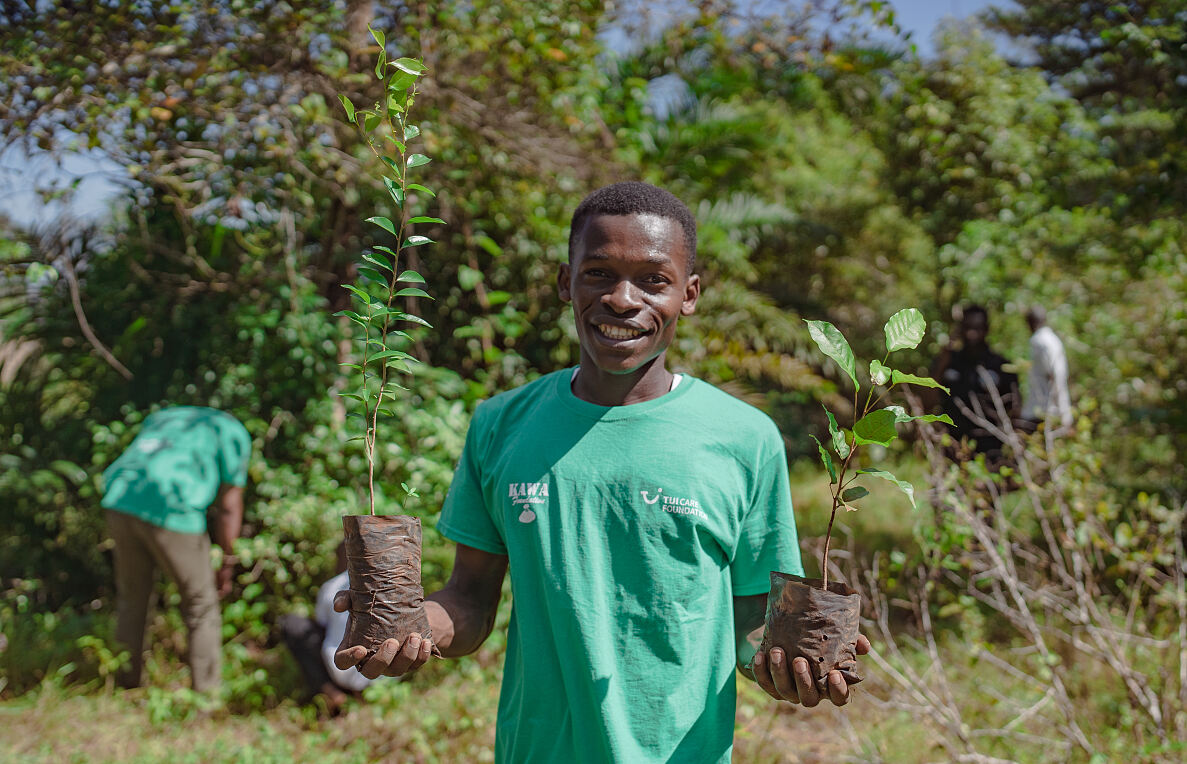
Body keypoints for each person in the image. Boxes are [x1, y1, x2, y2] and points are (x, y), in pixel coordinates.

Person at [333, 182, 869, 762]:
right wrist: (414, 628)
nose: (621, 298)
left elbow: (747, 620)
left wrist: (785, 665)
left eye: (653, 280)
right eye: (598, 273)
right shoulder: (502, 424)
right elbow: (469, 599)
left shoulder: (743, 438)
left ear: (688, 295)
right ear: (566, 283)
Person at [101, 406, 251, 693]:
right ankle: (206, 697)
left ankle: (125, 685)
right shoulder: (233, 432)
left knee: (132, 597)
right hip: (171, 505)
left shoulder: (166, 416)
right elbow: (229, 507)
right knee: (201, 605)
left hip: (120, 498)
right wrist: (227, 561)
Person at [279, 543, 373, 713]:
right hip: (383, 674)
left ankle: (332, 693)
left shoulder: (332, 586)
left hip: (340, 671)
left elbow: (321, 624)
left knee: (293, 624)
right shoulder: (386, 582)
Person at [930, 304, 1022, 465]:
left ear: (986, 329)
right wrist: (945, 356)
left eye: (977, 328)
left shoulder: (1000, 366)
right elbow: (927, 397)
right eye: (967, 327)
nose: (971, 333)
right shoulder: (949, 362)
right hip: (953, 449)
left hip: (991, 452)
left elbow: (1015, 409)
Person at [1022, 305, 1073, 434]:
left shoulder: (1039, 341)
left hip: (1043, 410)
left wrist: (1061, 412)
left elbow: (1053, 375)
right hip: (1049, 410)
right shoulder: (1053, 340)